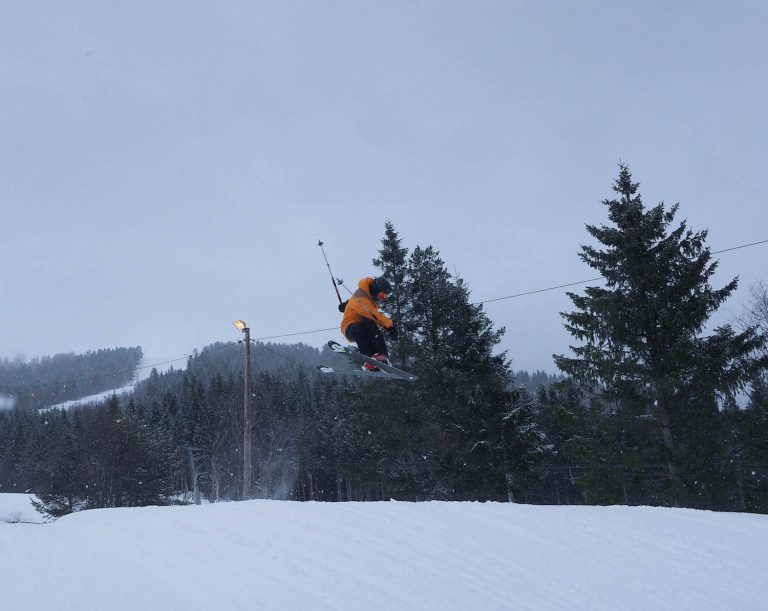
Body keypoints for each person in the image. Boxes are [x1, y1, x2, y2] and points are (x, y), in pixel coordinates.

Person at [339, 276, 399, 371]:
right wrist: (389, 326)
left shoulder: (368, 297)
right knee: (366, 323)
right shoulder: (361, 297)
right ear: (376, 289)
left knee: (367, 325)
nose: (382, 298)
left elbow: (356, 301)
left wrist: (347, 303)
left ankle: (375, 358)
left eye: (385, 297)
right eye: (382, 295)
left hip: (362, 327)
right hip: (350, 327)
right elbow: (371, 313)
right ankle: (376, 357)